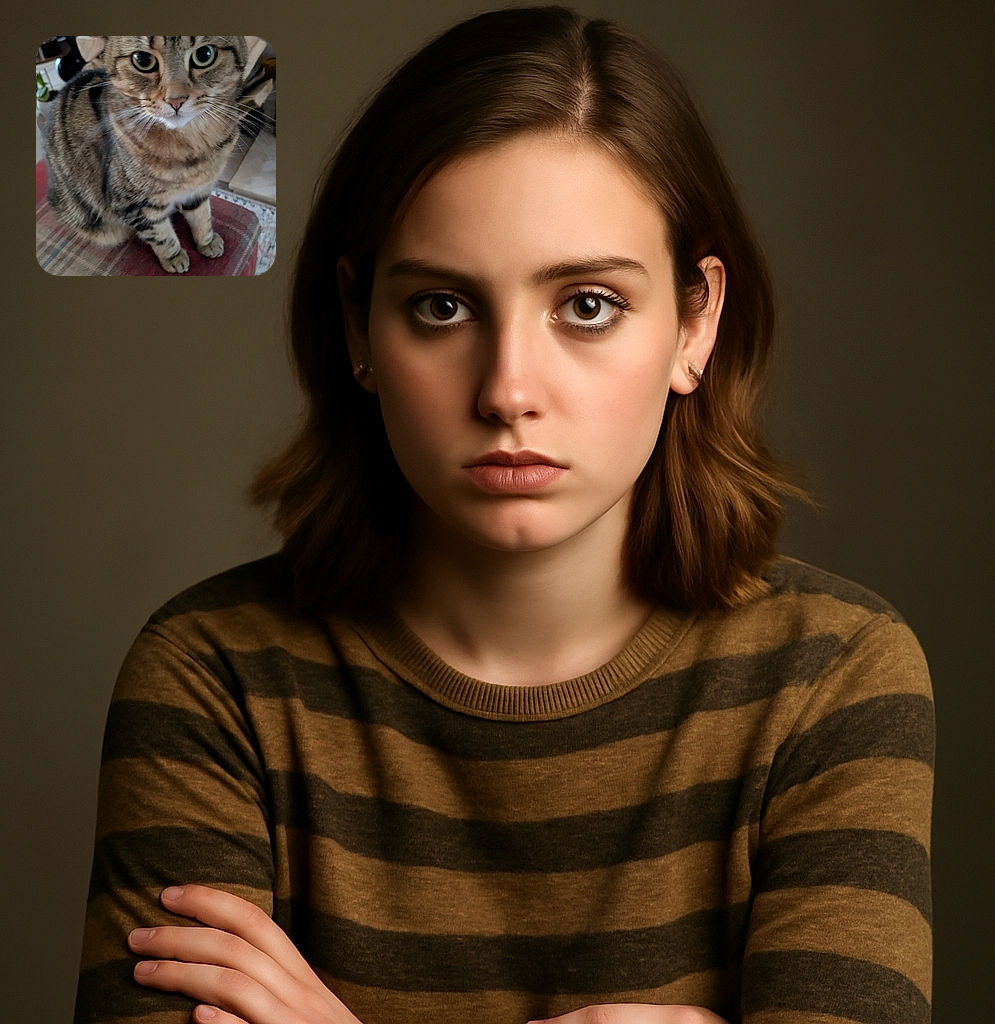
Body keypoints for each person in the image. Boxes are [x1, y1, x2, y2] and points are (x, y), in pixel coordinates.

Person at [74, 7, 934, 1024]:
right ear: (358, 326)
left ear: (694, 323)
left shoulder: (835, 676)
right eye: (441, 306)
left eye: (586, 305)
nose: (508, 390)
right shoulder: (211, 678)